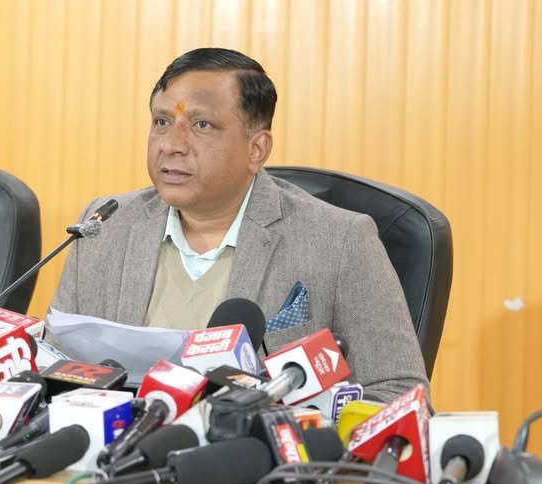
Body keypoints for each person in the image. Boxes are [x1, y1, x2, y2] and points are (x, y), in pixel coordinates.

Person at [50, 47, 429, 403]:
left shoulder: (340, 241)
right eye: (162, 122)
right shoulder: (106, 224)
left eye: (201, 124)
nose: (171, 144)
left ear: (256, 149)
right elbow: (54, 365)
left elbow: (399, 391)